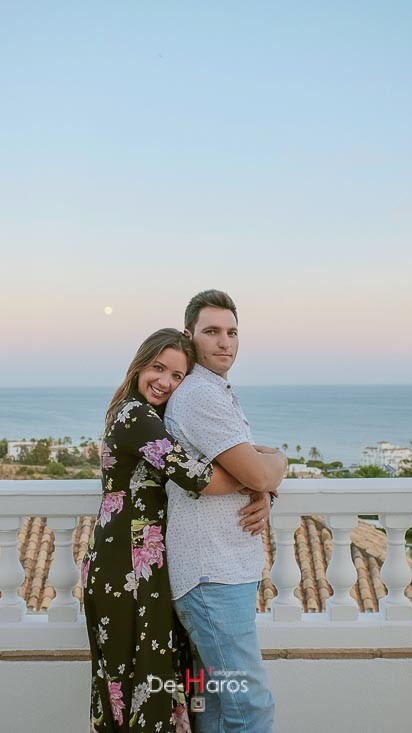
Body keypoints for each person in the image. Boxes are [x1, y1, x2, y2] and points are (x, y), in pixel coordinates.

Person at [83, 328, 251, 732]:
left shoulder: (152, 416)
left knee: (152, 676)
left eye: (177, 376)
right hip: (125, 567)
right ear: (140, 364)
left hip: (145, 561)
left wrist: (253, 468)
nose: (165, 382)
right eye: (158, 368)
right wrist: (260, 476)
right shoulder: (136, 416)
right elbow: (199, 477)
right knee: (140, 679)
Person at [166, 290, 286, 733]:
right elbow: (256, 467)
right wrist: (278, 468)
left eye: (232, 332)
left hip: (219, 573)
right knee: (250, 706)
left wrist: (264, 489)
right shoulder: (200, 395)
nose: (225, 342)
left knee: (214, 708)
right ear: (190, 336)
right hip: (211, 577)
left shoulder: (213, 392)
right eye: (212, 331)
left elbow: (247, 473)